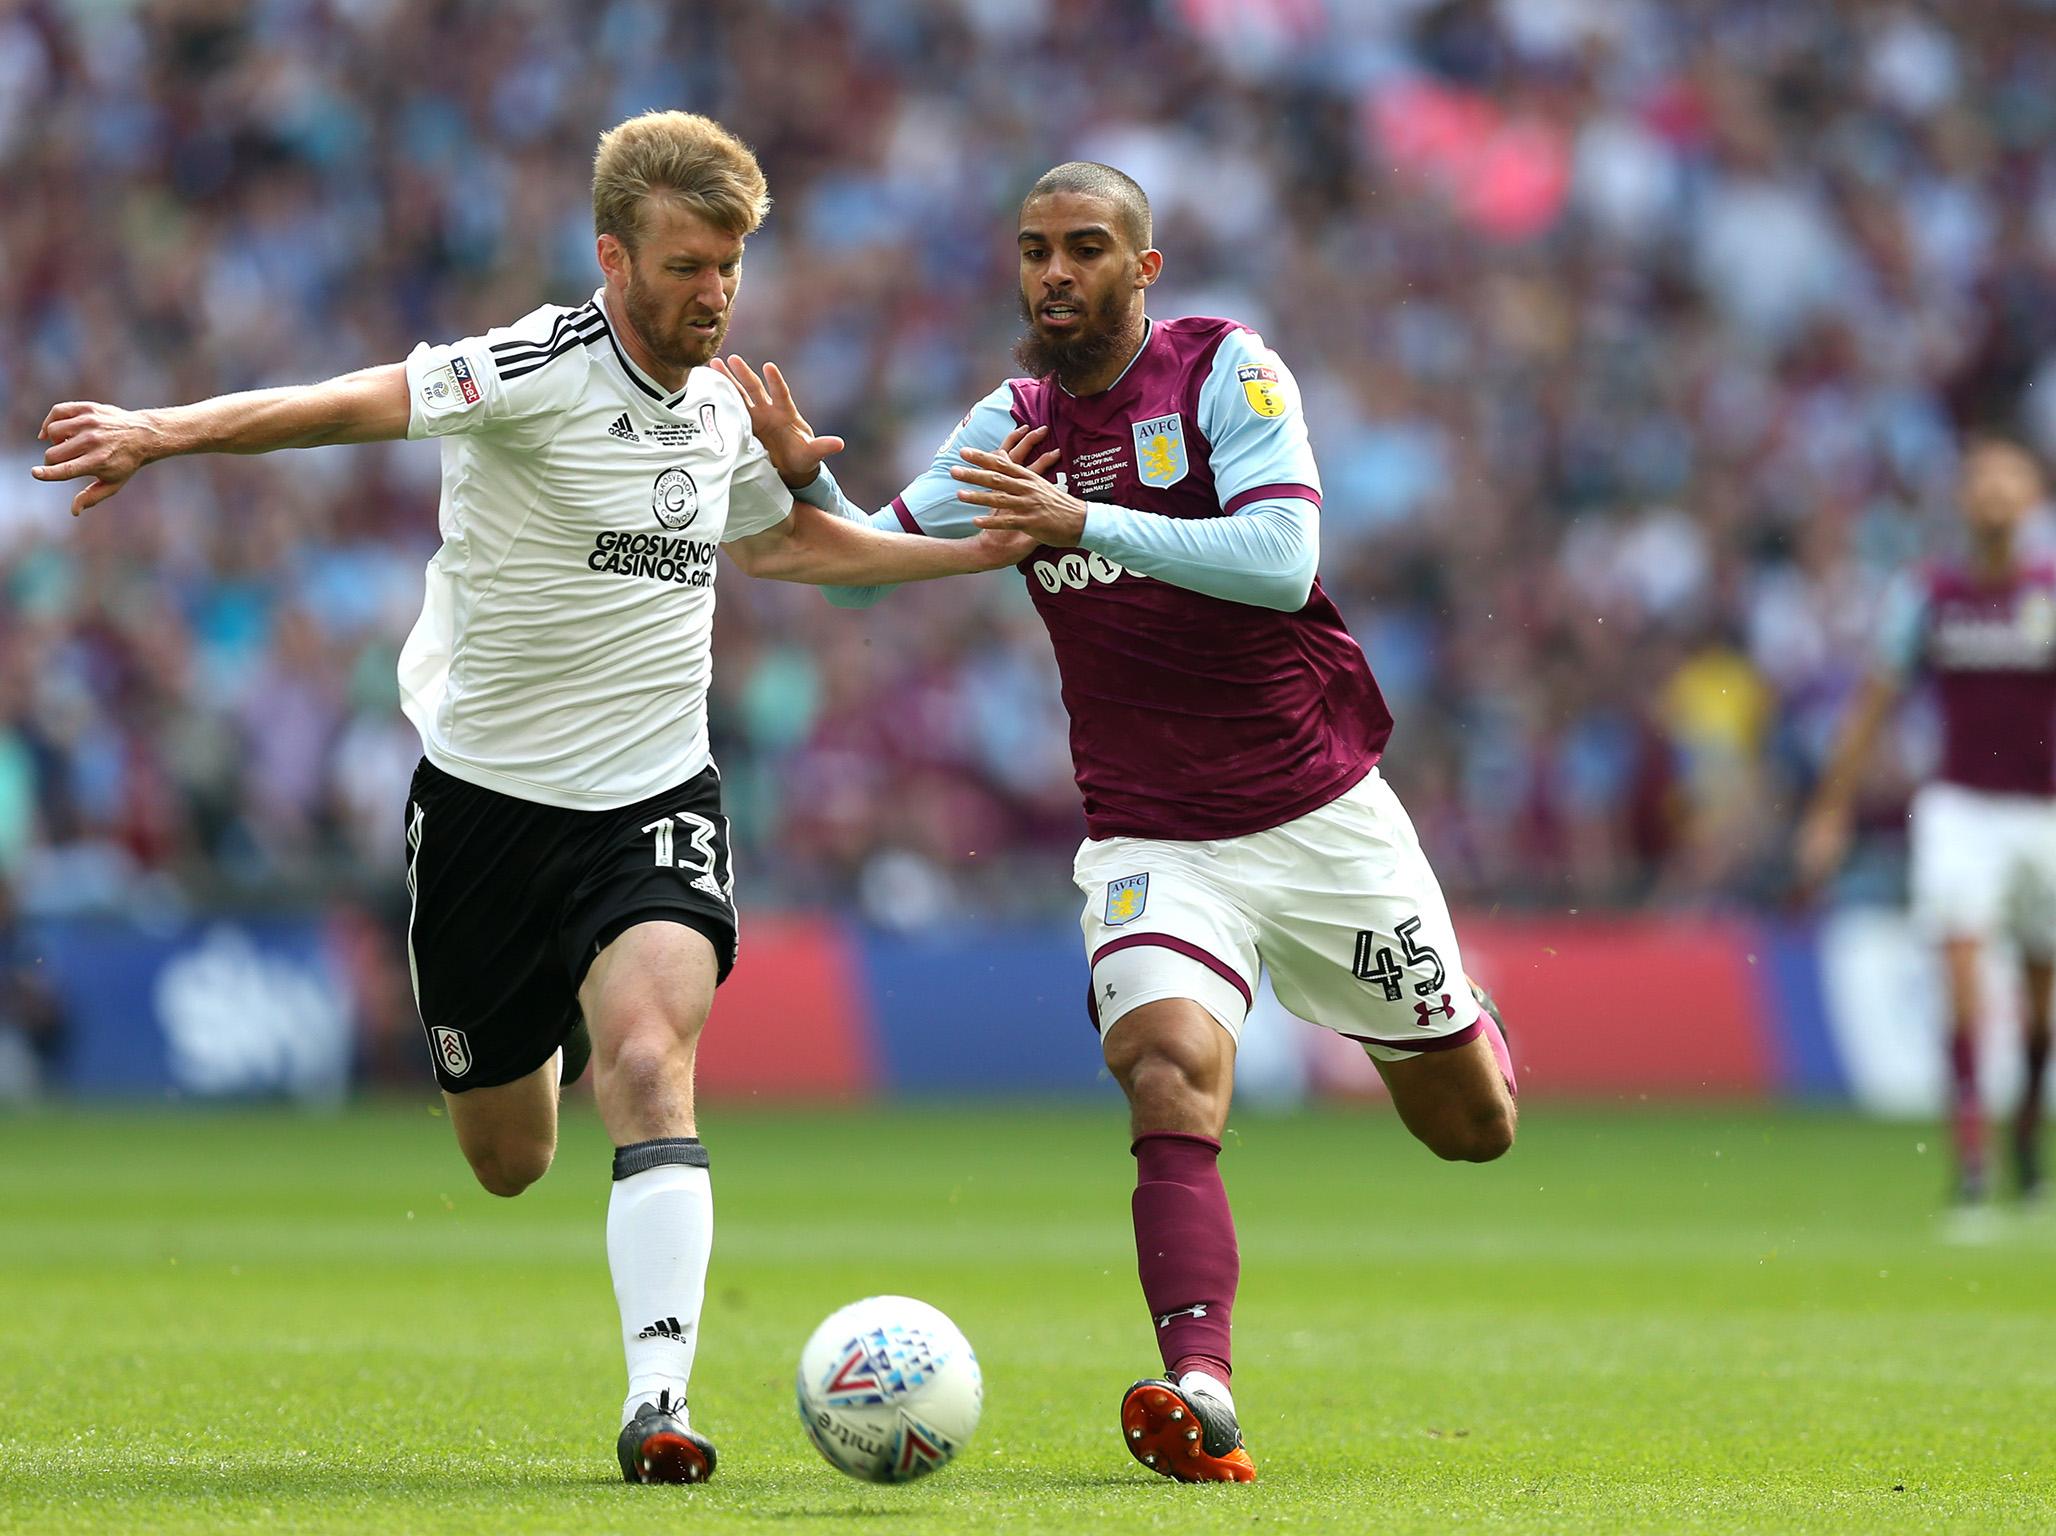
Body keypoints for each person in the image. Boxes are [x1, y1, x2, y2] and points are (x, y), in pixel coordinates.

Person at [31, 109, 1030, 1485]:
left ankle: (659, 1405)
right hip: (489, 808)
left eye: (730, 265)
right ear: (612, 256)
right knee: (509, 1155)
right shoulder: (533, 364)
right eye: (686, 264)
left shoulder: (728, 405)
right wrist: (164, 428)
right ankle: (546, 1011)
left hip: (653, 799)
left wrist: (987, 552)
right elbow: (352, 404)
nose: (713, 293)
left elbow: (801, 550)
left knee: (650, 1060)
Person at [715, 161, 1518, 1484]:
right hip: (1154, 835)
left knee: (1470, 1122)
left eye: (1086, 248)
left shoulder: (1224, 373)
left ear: (1142, 270)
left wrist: (1085, 520)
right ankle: (1200, 1388)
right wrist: (802, 491)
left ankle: (1460, 1011)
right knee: (1163, 1069)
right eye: (1035, 250)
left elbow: (1284, 562)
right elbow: (862, 575)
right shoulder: (1013, 421)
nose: (1055, 273)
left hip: (1317, 814)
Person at [1798, 438, 2056, 1211]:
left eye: (2009, 482)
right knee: (1962, 972)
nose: (1995, 495)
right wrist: (1830, 808)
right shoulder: (1928, 594)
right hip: (1960, 807)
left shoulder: (2050, 591)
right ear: (1962, 500)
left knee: (2043, 1000)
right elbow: (1873, 704)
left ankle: (2025, 1136)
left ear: (2033, 497)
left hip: (2044, 810)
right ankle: (1971, 1159)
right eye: (1981, 481)